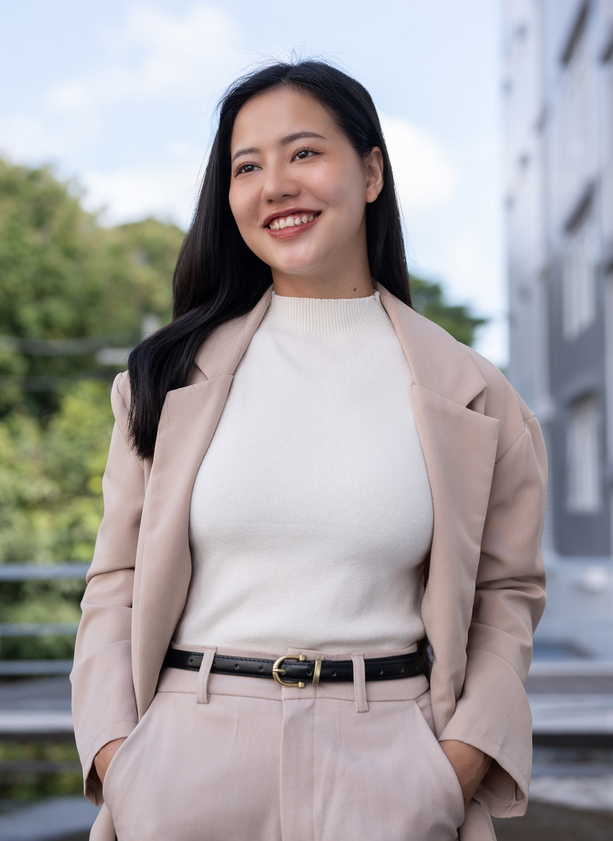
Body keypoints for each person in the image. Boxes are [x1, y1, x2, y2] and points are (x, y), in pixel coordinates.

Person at [70, 60, 547, 841]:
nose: (275, 184)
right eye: (247, 166)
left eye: (303, 153)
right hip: (186, 761)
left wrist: (450, 765)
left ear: (370, 172)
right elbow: (113, 587)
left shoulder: (476, 394)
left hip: (393, 762)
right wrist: (123, 758)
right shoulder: (161, 380)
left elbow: (508, 597)